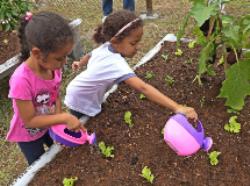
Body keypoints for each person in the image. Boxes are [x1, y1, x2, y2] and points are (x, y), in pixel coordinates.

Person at [65, 10, 198, 126]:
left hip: (80, 90)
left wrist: (79, 63)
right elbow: (143, 88)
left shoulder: (106, 46)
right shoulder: (116, 64)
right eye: (133, 43)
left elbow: (90, 55)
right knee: (81, 123)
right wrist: (177, 107)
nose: (137, 48)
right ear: (115, 40)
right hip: (80, 98)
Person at [6, 11, 85, 165]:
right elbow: (29, 121)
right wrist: (64, 117)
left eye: (66, 56)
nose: (64, 62)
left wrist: (59, 121)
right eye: (59, 58)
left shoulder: (53, 68)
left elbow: (54, 97)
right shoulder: (21, 80)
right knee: (40, 166)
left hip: (49, 123)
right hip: (28, 135)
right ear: (37, 53)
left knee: (59, 158)